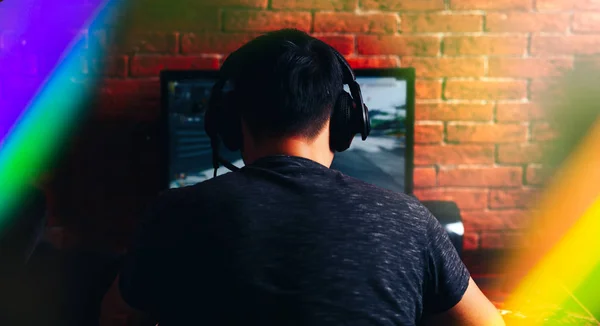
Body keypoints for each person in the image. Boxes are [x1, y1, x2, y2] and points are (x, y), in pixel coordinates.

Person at [119, 29, 505, 326]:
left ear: (228, 122)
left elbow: (115, 319)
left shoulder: (172, 215)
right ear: (345, 122)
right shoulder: (410, 221)